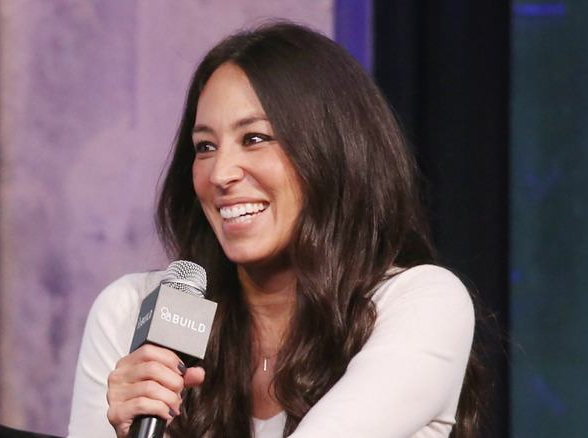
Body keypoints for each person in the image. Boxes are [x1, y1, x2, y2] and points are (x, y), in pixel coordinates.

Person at [68, 21, 479, 438]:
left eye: (255, 138)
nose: (221, 173)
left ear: (333, 151)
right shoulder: (131, 311)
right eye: (205, 147)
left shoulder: (419, 303)